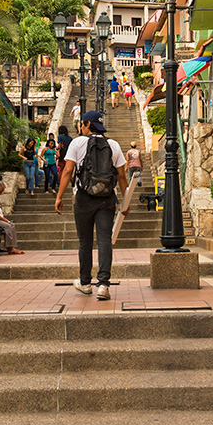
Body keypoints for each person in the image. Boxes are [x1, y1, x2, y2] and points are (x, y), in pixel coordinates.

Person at [55, 110, 128, 300]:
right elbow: (121, 176)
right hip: (106, 199)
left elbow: (67, 171)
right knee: (104, 240)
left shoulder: (77, 143)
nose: (81, 127)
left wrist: (59, 196)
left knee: (85, 241)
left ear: (87, 125)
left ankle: (85, 283)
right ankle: (103, 285)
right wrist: (125, 200)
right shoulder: (113, 145)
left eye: (82, 124)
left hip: (83, 198)